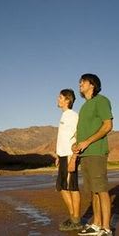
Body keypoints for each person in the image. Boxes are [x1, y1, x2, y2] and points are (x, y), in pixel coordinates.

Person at [73, 74, 113, 236]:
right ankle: (96, 225)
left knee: (101, 190)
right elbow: (82, 131)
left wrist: (87, 142)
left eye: (83, 81)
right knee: (93, 191)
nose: (80, 84)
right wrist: (76, 144)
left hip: (96, 151)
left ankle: (106, 228)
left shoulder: (101, 101)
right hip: (85, 154)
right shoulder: (84, 106)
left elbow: (108, 125)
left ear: (92, 84)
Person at [55, 88, 82, 231]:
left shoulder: (72, 115)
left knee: (72, 187)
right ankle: (73, 217)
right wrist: (59, 156)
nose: (58, 99)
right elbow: (64, 138)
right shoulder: (64, 116)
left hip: (70, 156)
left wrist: (74, 157)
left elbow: (78, 135)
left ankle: (76, 219)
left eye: (60, 97)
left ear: (67, 100)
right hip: (63, 156)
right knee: (62, 187)